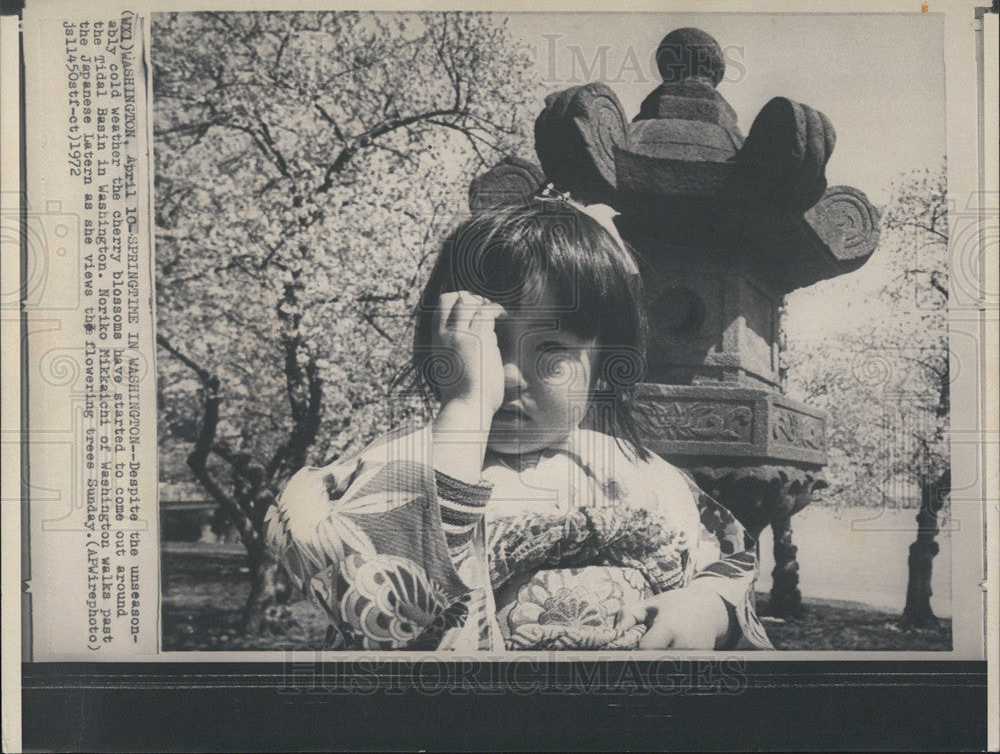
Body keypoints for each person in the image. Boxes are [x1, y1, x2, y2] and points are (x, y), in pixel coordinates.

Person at [265, 195, 773, 652]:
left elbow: (726, 557)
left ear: (602, 363)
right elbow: (384, 605)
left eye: (552, 349)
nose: (508, 375)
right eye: (486, 340)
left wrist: (708, 606)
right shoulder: (397, 462)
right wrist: (464, 411)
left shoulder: (641, 472)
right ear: (439, 346)